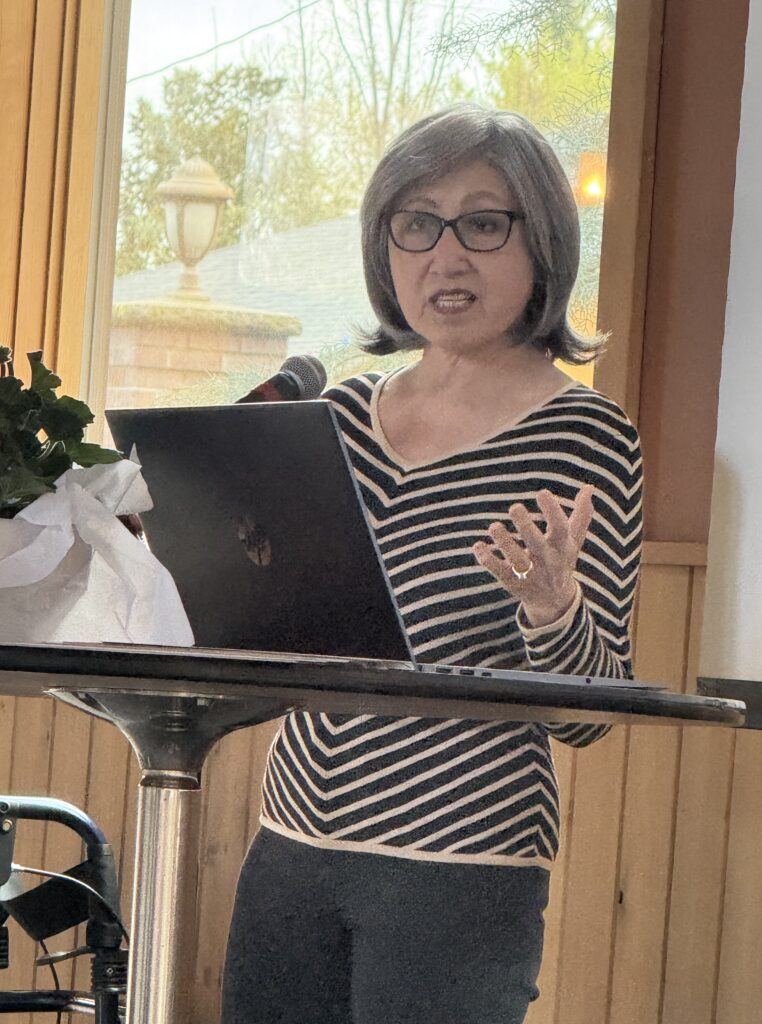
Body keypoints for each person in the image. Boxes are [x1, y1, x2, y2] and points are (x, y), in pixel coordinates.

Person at [222, 104, 643, 1024]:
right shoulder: (337, 417)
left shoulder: (585, 436)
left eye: (482, 224)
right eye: (416, 223)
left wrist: (553, 611)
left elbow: (594, 714)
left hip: (460, 863)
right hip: (291, 842)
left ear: (542, 241)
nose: (445, 256)